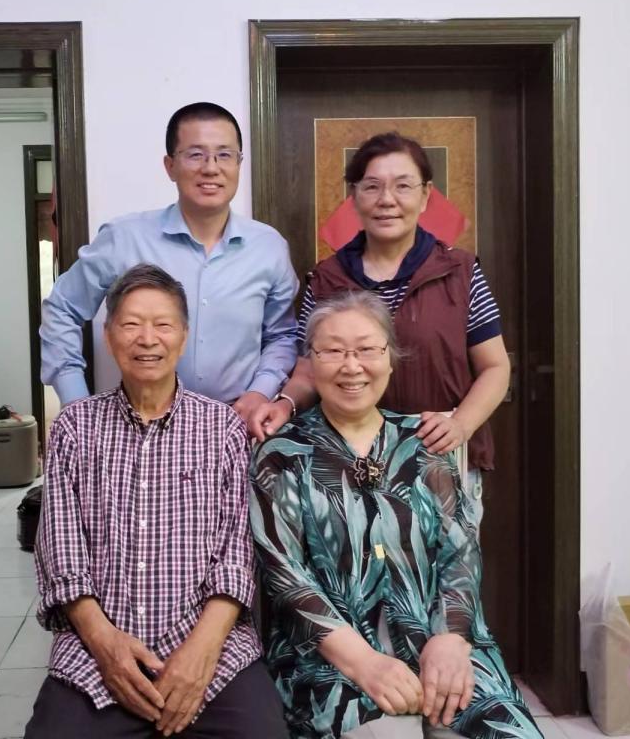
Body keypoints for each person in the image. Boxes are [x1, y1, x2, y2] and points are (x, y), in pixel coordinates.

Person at [250, 291, 541, 739]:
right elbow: (286, 577)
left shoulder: (425, 444)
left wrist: (451, 639)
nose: (352, 366)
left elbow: (461, 554)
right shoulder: (282, 456)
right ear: (310, 362)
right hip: (329, 656)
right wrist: (364, 664)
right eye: (333, 351)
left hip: (438, 640)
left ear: (390, 358)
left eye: (367, 349)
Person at [27, 264, 288, 739]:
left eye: (163, 324)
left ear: (183, 337)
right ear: (109, 337)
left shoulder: (222, 428)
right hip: (95, 652)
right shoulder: (75, 428)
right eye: (131, 324)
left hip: (212, 648)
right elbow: (61, 553)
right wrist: (106, 646)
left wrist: (200, 652)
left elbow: (236, 555)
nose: (147, 339)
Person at [249, 132, 509, 524]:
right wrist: (284, 403)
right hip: (345, 464)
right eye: (372, 186)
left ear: (425, 195)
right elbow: (307, 368)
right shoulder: (326, 278)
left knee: (443, 560)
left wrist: (461, 424)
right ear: (354, 196)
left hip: (437, 458)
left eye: (403, 186)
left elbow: (496, 367)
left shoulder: (460, 272)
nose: (387, 199)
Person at [40, 102, 299, 424]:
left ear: (239, 163)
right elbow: (62, 308)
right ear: (170, 166)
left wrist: (261, 391)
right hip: (138, 427)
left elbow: (282, 336)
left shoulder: (269, 247)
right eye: (195, 154)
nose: (211, 168)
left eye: (224, 155)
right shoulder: (125, 238)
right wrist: (75, 399)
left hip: (235, 425)